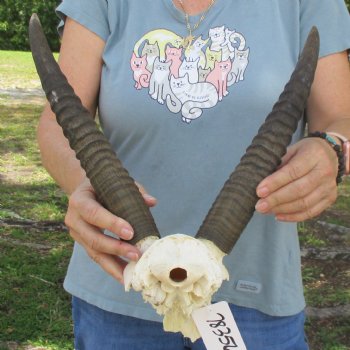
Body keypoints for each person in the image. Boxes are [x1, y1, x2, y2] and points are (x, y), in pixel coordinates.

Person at [37, 0, 350, 349]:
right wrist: (80, 183)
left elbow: (339, 120)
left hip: (255, 297)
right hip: (122, 287)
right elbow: (57, 122)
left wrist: (332, 148)